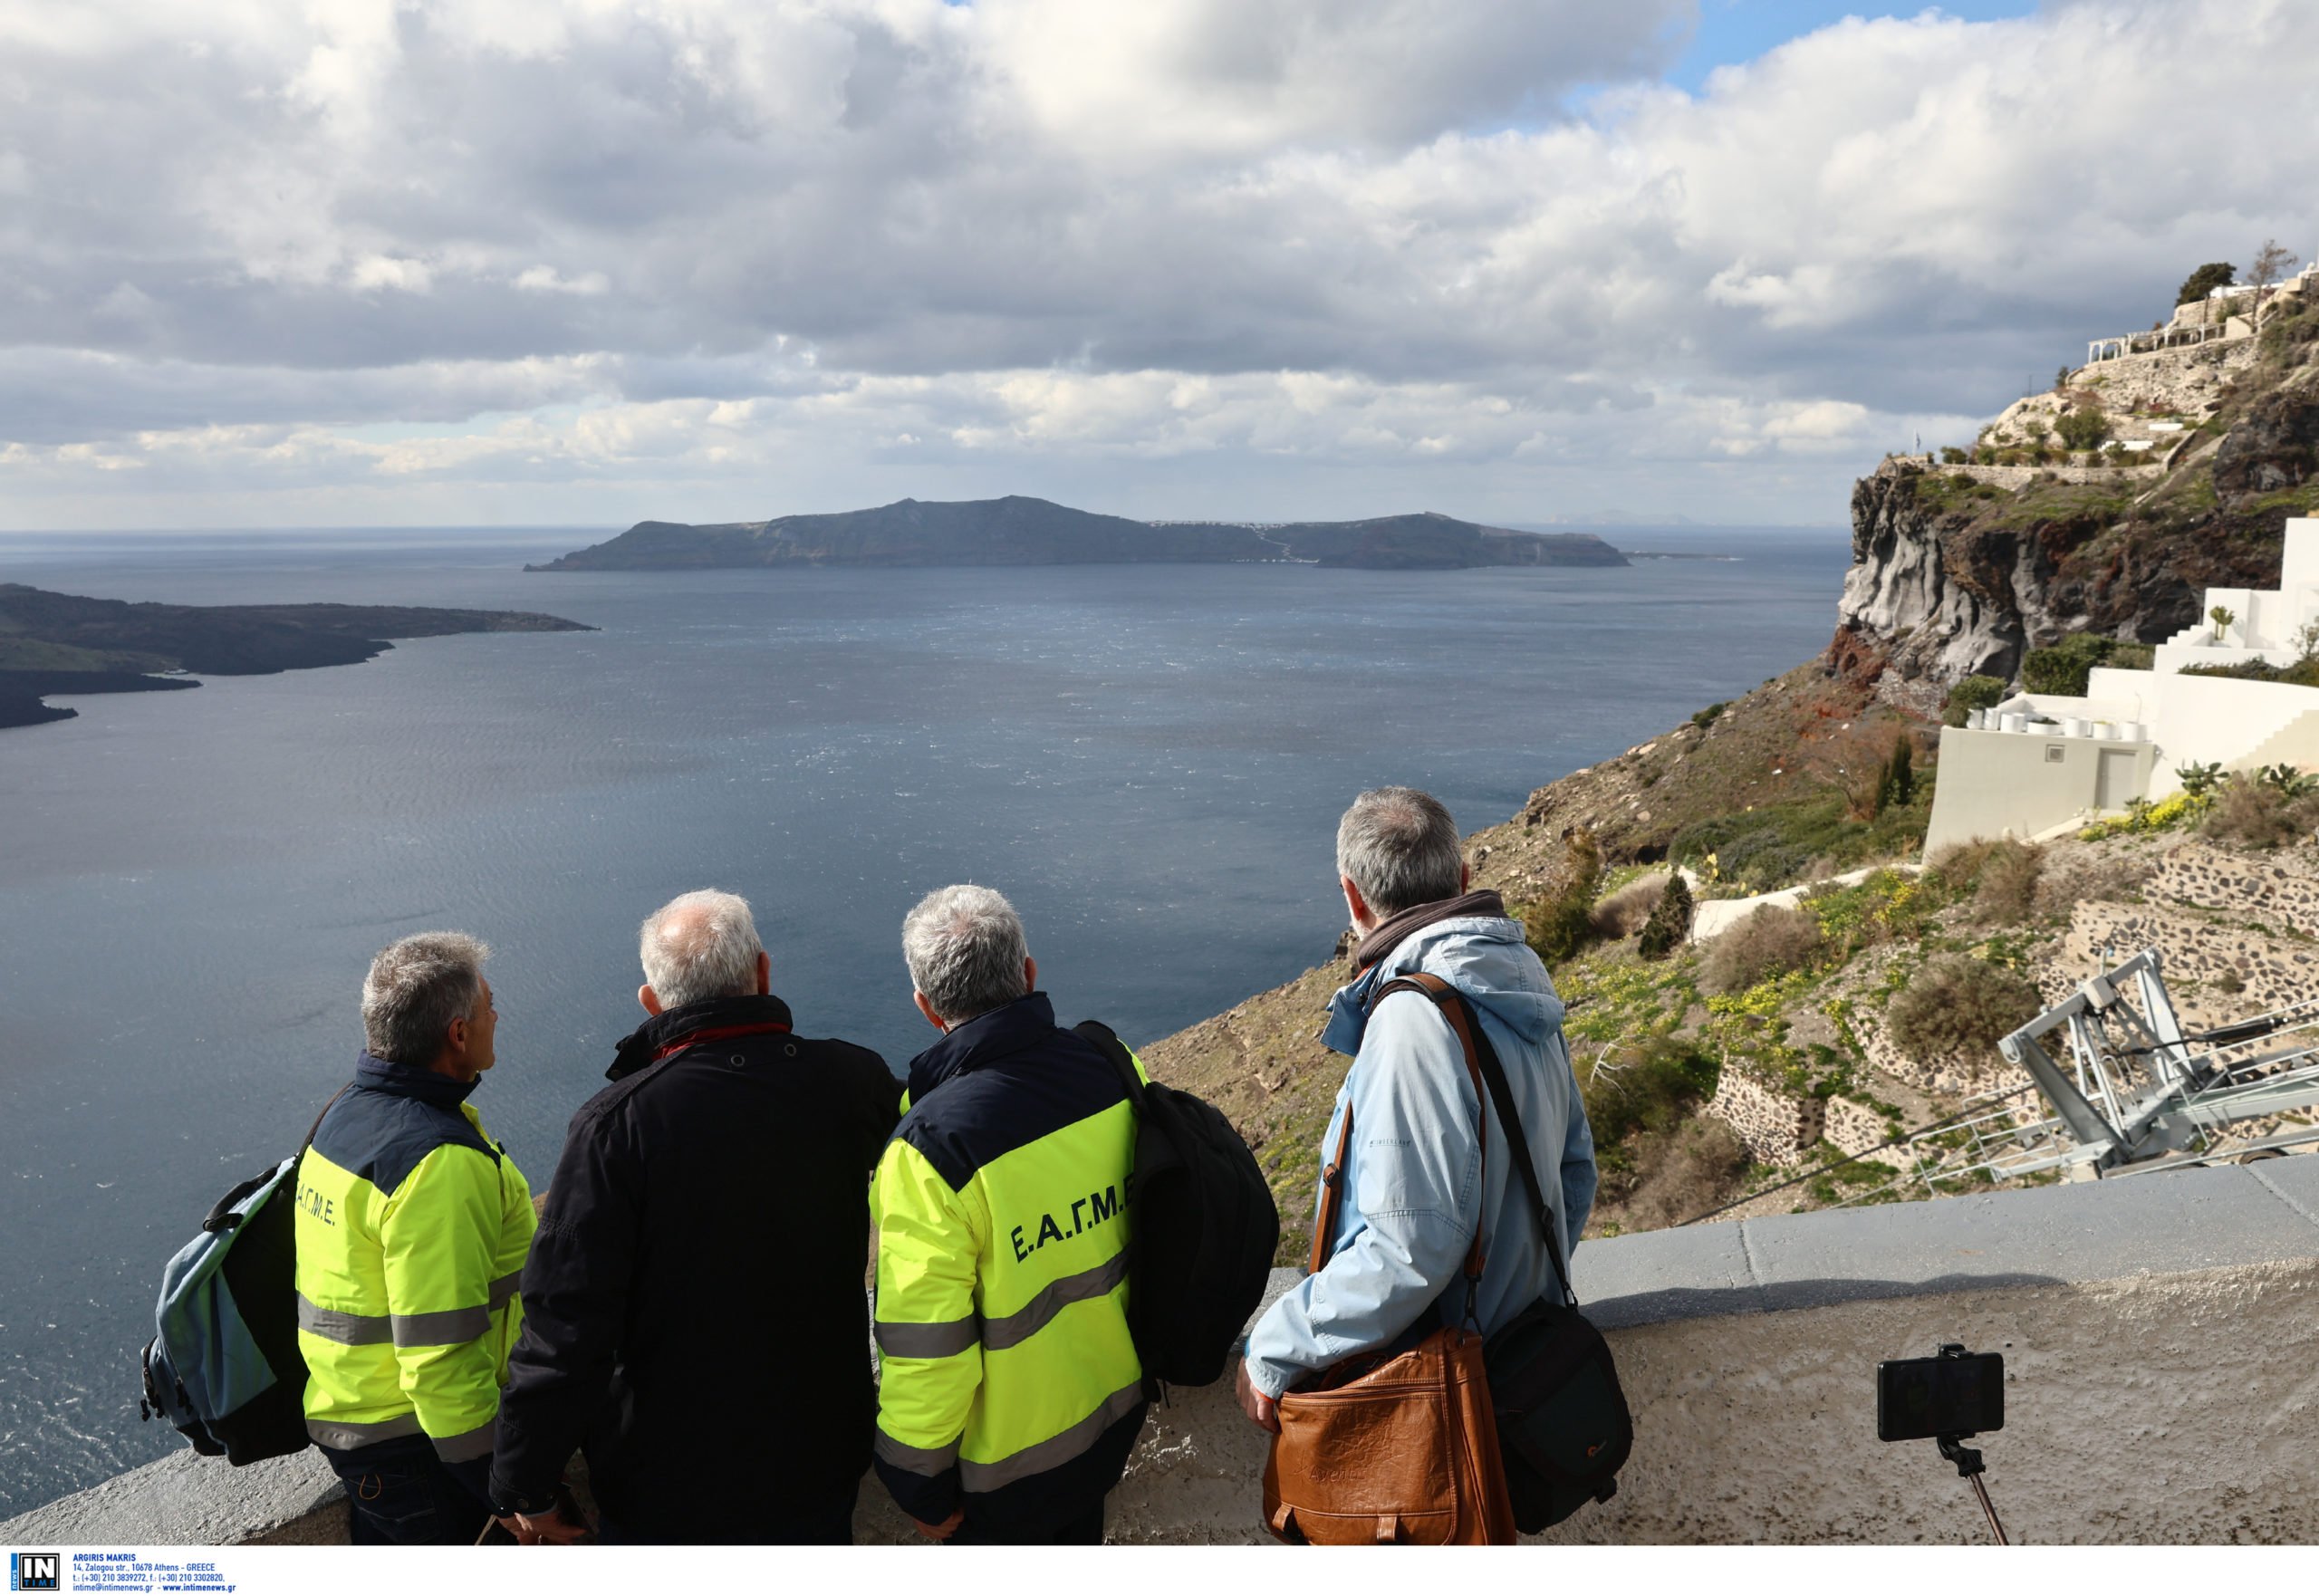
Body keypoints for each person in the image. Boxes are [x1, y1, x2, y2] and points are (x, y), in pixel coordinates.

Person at [488, 889, 898, 1545]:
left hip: (669, 1486)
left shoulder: (615, 1128)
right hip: (823, 1453)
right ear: (762, 973)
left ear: (652, 1003)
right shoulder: (857, 1080)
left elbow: (566, 1330)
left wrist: (523, 1483)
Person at [1236, 788, 1598, 1434]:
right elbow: (1573, 1173)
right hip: (1521, 1365)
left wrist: (1277, 1346)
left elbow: (1410, 1244)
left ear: (1353, 898)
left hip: (1442, 1390)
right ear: (1461, 879)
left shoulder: (1413, 1018)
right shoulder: (1519, 983)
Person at [869, 884, 1147, 1545]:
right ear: (1027, 973)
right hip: (1110, 1425)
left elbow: (928, 1350)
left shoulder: (929, 1150)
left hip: (1001, 1480)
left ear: (927, 1006)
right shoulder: (1111, 1067)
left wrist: (915, 1482)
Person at [294, 932, 538, 1545]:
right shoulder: (435, 1164)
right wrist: (506, 1492)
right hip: (419, 1453)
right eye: (488, 1007)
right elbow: (440, 1360)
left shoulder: (346, 1114)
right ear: (458, 1034)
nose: (496, 1017)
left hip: (355, 1420)